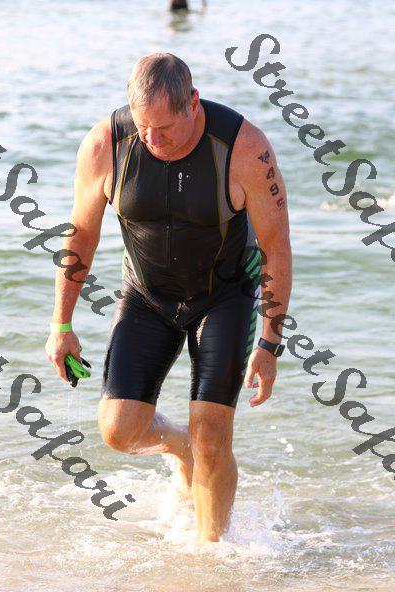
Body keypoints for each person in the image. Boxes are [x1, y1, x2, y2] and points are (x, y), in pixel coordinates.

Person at [45, 53, 292, 543]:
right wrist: (61, 326)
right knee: (118, 430)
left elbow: (276, 247)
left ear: (192, 103)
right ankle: (180, 447)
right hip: (147, 295)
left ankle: (211, 556)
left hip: (224, 296)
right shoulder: (106, 145)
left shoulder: (243, 148)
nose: (152, 140)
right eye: (143, 127)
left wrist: (269, 344)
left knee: (212, 434)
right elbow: (81, 237)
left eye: (163, 128)